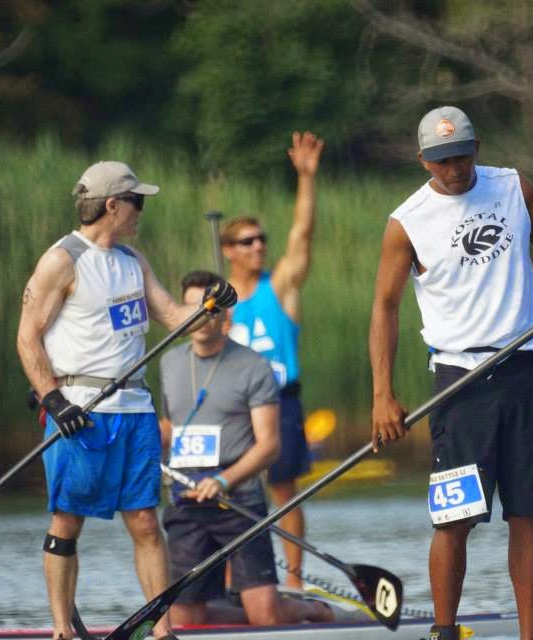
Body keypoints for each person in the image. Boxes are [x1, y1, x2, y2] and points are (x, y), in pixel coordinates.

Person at [368, 106, 533, 640]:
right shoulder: (407, 222)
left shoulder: (512, 187)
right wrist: (382, 395)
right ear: (423, 161)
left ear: (477, 148)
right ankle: (444, 630)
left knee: (526, 513)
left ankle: (529, 636)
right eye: (441, 161)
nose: (453, 168)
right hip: (459, 380)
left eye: (461, 156)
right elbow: (385, 308)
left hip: (523, 366)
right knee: (454, 519)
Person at [17, 161, 235, 640]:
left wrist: (210, 308)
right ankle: (62, 631)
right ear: (112, 205)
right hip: (80, 409)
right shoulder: (62, 259)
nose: (142, 211)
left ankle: (161, 630)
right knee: (68, 519)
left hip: (134, 408)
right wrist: (54, 401)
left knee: (143, 521)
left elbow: (172, 315)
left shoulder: (133, 260)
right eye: (137, 202)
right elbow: (27, 336)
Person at [158, 270, 333, 626]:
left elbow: (269, 446)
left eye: (209, 307)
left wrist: (224, 481)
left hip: (237, 502)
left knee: (265, 616)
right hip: (186, 501)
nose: (200, 314)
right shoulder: (169, 362)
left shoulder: (254, 366)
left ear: (227, 314)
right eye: (192, 306)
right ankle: (240, 618)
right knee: (185, 622)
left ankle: (313, 610)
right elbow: (169, 428)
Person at [222, 131, 325, 589]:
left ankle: (296, 585)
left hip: (279, 401)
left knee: (283, 492)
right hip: (232, 408)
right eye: (247, 242)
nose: (258, 246)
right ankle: (227, 584)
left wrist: (306, 178)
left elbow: (301, 235)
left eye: (261, 239)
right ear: (228, 251)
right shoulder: (216, 301)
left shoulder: (279, 285)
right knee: (229, 495)